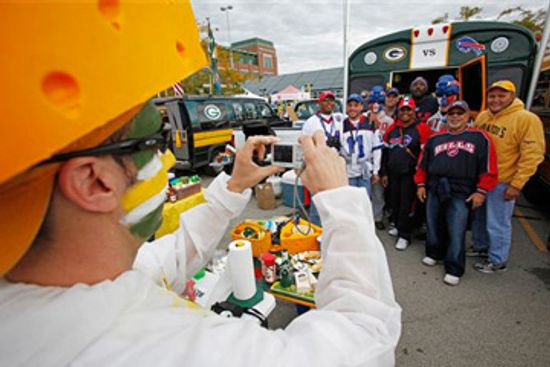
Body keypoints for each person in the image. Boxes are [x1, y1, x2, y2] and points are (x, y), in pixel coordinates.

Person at [0, 4, 401, 366]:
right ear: (92, 181)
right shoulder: (170, 349)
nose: (170, 159)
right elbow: (364, 337)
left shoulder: (50, 289)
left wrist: (232, 187)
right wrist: (341, 201)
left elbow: (164, 262)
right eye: (155, 141)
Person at [415, 101, 498, 286]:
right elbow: (422, 164)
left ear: (468, 116)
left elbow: (489, 167)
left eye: (460, 113)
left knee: (456, 228)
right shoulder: (435, 138)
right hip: (435, 185)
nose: (455, 117)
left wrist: (481, 191)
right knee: (433, 223)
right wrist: (420, 184)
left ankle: (454, 267)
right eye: (451, 113)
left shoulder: (479, 137)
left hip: (461, 188)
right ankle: (434, 253)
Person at [472, 80, 545, 273]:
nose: (496, 100)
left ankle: (497, 260)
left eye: (501, 96)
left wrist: (517, 184)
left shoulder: (526, 119)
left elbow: (533, 155)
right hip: (481, 180)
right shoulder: (483, 116)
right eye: (492, 96)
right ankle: (480, 248)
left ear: (512, 97)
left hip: (503, 181)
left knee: (497, 223)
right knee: (479, 218)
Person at [382, 96, 432, 250]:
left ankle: (405, 235)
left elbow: (427, 155)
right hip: (394, 173)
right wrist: (384, 172)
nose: (405, 113)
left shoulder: (422, 128)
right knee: (394, 202)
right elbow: (385, 152)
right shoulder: (392, 128)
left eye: (408, 109)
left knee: (407, 205)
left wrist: (421, 177)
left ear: (413, 111)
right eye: (402, 109)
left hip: (411, 175)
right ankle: (398, 226)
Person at [301, 90, 344, 226]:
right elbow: (302, 142)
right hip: (318, 170)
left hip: (334, 169)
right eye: (325, 100)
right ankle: (316, 235)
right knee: (318, 205)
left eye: (331, 100)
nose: (329, 103)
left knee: (334, 204)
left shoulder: (339, 119)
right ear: (319, 103)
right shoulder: (311, 122)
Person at [340, 94, 382, 197]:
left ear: (361, 107)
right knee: (350, 201)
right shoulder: (341, 125)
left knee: (365, 201)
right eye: (350, 105)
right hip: (348, 170)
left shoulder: (371, 123)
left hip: (365, 170)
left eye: (356, 105)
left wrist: (376, 171)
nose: (352, 108)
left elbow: (377, 149)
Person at [365, 86, 395, 229]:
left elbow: (390, 143)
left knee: (378, 193)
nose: (375, 105)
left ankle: (377, 217)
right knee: (363, 191)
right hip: (364, 159)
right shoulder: (362, 118)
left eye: (378, 101)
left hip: (382, 158)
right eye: (373, 101)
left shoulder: (389, 121)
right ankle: (363, 218)